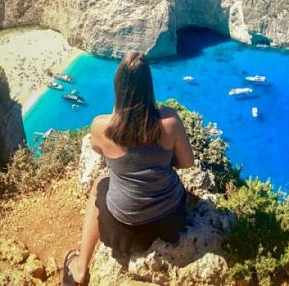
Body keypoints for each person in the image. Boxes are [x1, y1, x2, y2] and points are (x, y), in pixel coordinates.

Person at [63, 51, 195, 285]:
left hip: (126, 227)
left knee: (99, 185)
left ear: (119, 86)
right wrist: (160, 160)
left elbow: (97, 150)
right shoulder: (170, 121)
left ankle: (81, 268)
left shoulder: (101, 127)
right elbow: (187, 163)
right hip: (170, 220)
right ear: (148, 86)